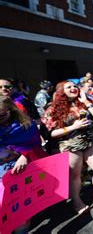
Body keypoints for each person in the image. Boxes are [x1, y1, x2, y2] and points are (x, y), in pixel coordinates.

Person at [43, 81, 93, 214]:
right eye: (69, 87)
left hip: (90, 141)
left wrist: (86, 101)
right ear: (61, 91)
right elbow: (50, 133)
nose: (73, 88)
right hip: (70, 145)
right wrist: (73, 127)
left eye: (75, 86)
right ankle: (77, 202)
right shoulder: (52, 109)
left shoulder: (83, 102)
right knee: (75, 175)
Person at [0, 96, 48, 232]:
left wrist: (24, 155)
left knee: (22, 212)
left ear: (12, 110)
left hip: (22, 171)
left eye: (2, 114)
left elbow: (35, 145)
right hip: (1, 172)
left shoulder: (26, 124)